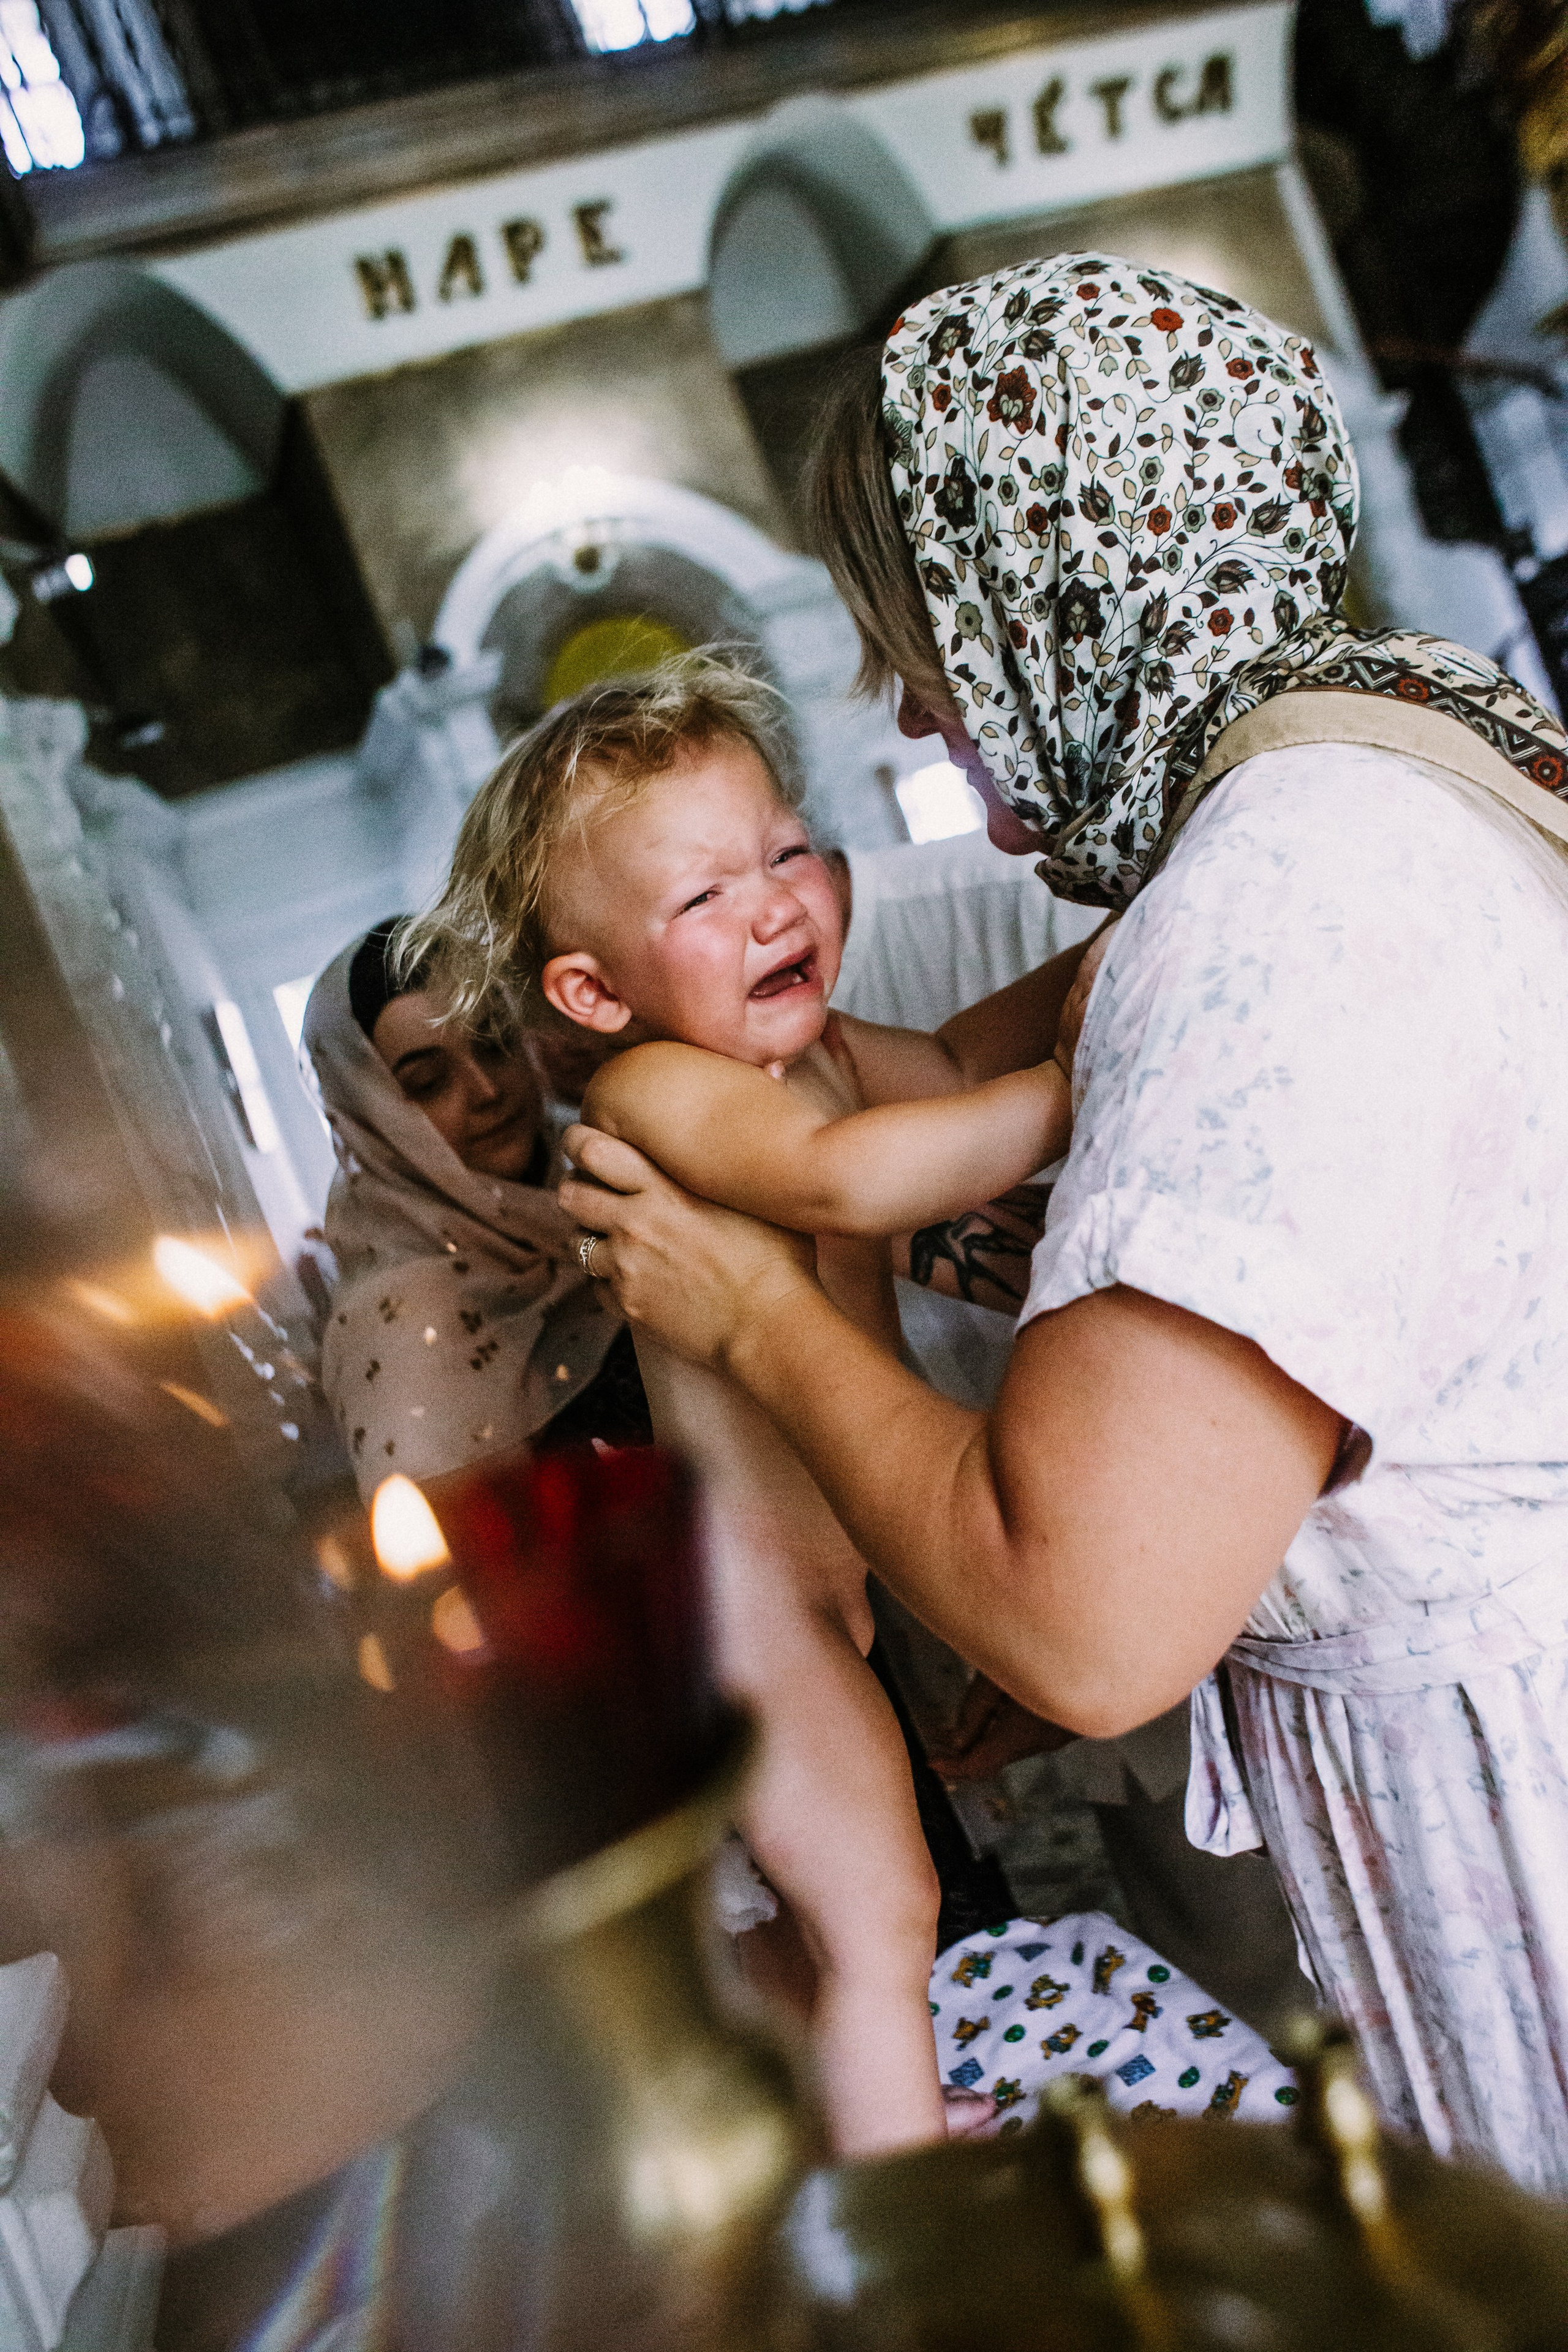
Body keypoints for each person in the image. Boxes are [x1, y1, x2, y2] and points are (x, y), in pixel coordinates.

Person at [557, 253, 1568, 2187]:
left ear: (1051, 589)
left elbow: (1089, 1612)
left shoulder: (1263, 901)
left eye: (918, 644)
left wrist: (754, 1309)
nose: (918, 718)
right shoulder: (1373, 778)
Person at [401, 658, 1082, 2155]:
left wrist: (1121, 955)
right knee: (876, 1912)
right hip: (735, 1609)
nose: (776, 904)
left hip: (819, 1586)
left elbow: (959, 1054)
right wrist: (1072, 1078)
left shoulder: (821, 1050)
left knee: (872, 1893)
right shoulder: (658, 1094)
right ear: (593, 992)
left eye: (785, 852)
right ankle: (908, 2211)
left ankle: (885, 2118)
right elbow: (852, 1179)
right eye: (703, 897)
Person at [301, 920, 649, 1502]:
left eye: (494, 1043)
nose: (488, 1090)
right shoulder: (399, 1325)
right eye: (430, 1081)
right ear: (374, 1123)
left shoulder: (607, 1170)